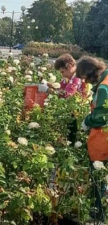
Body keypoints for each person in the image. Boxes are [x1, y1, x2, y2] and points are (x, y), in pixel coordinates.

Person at [76, 56, 108, 222]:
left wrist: (88, 120)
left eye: (84, 78)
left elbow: (101, 118)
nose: (85, 82)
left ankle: (98, 215)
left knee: (98, 178)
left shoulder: (103, 88)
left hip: (103, 139)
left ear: (91, 72)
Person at [38, 54, 88, 145]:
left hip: (78, 112)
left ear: (69, 67)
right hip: (72, 109)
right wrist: (48, 84)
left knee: (73, 135)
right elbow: (61, 87)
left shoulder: (77, 78)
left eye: (63, 72)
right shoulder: (69, 77)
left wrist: (48, 90)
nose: (62, 74)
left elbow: (67, 94)